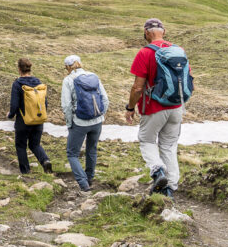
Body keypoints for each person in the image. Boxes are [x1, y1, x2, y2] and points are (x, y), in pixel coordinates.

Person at [123, 18, 188, 197]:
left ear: (146, 33)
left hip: (153, 107)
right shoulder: (178, 51)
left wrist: (130, 108)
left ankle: (158, 172)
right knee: (168, 146)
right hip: (176, 107)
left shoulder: (144, 53)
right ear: (164, 31)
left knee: (147, 141)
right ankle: (171, 189)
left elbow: (138, 87)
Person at [61, 54, 109, 192]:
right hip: (97, 121)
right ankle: (89, 179)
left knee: (72, 153)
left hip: (80, 122)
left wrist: (70, 124)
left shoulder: (68, 80)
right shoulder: (93, 76)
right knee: (92, 149)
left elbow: (66, 106)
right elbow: (105, 99)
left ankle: (83, 184)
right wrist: (101, 115)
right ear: (80, 63)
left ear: (67, 67)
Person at [7, 58, 52, 175]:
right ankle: (45, 161)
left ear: (19, 69)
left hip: (24, 121)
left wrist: (10, 115)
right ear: (30, 69)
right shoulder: (39, 82)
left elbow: (14, 105)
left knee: (21, 146)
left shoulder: (17, 84)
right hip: (38, 120)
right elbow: (44, 103)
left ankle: (26, 172)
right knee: (35, 144)